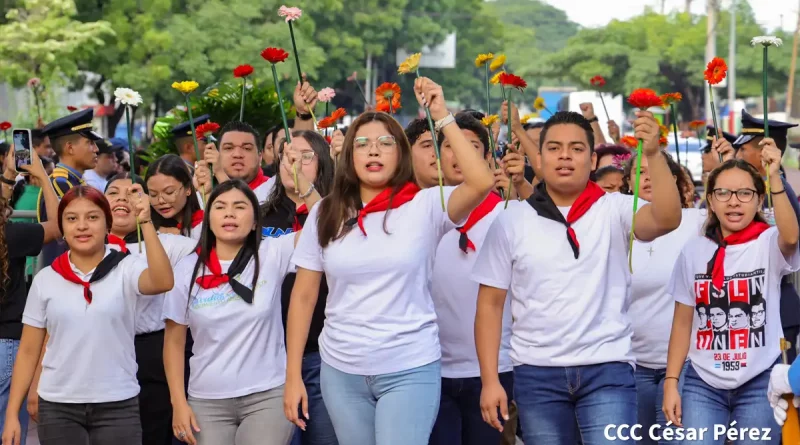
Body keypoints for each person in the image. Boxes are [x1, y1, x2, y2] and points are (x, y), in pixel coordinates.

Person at [284, 78, 494, 445]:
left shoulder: (427, 205)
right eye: (362, 144)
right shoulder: (325, 214)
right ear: (349, 155)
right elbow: (303, 298)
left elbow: (479, 182)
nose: (373, 152)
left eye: (385, 143)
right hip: (341, 369)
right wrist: (292, 376)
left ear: (402, 154)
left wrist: (443, 116)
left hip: (409, 365)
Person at [473, 110, 682, 444]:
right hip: (536, 372)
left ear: (592, 158)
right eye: (554, 148)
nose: (565, 156)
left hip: (608, 369)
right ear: (538, 157)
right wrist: (490, 380)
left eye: (576, 148)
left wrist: (654, 154)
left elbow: (667, 219)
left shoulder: (615, 208)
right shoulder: (511, 221)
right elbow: (489, 305)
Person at [1, 184, 174, 445]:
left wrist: (146, 223)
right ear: (62, 228)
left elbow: (162, 281)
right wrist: (12, 413)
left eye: (92, 217)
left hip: (118, 402)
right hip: (58, 405)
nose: (82, 226)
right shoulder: (46, 279)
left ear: (107, 225)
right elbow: (28, 350)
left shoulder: (126, 267)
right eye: (71, 219)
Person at [663, 151, 799, 445]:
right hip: (702, 382)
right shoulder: (693, 251)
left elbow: (790, 238)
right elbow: (682, 323)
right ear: (710, 200)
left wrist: (774, 175)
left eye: (745, 193)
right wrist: (672, 382)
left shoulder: (768, 243)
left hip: (761, 379)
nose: (733, 201)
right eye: (723, 192)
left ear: (759, 200)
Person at [163, 181, 298, 445]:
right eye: (220, 207)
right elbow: (174, 342)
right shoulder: (186, 269)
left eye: (239, 207)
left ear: (256, 221)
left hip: (267, 394)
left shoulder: (272, 253)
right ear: (208, 218)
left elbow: (324, 225)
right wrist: (178, 403)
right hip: (206, 400)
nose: (229, 214)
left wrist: (302, 188)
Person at [427, 113, 512, 445]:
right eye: (450, 146)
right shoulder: (421, 211)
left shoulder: (506, 215)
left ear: (488, 158)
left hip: (495, 370)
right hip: (430, 369)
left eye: (471, 147)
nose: (459, 155)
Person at [103, 173, 197, 445]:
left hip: (154, 352)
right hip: (106, 349)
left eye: (132, 192)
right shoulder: (86, 247)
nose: (122, 198)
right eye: (113, 192)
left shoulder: (171, 244)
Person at [619, 150, 704, 445]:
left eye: (656, 170)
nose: (648, 178)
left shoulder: (697, 222)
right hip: (629, 364)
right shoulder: (615, 223)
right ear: (627, 182)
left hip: (685, 365)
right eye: (639, 172)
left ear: (674, 179)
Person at [260, 131, 333, 445]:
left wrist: (309, 192)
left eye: (306, 156)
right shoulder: (257, 214)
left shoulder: (339, 211)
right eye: (288, 155)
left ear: (323, 165)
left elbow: (331, 229)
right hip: (269, 358)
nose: (294, 163)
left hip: (322, 355)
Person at [0, 148, 60, 445]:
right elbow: (62, 227)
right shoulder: (11, 236)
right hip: (8, 347)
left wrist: (10, 176)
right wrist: (43, 178)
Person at [37, 108, 102, 267]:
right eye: (90, 143)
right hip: (65, 271)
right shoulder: (60, 183)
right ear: (70, 148)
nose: (96, 149)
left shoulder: (73, 181)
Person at [197, 122, 275, 204]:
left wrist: (220, 173)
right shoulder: (201, 194)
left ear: (260, 158)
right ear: (217, 155)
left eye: (247, 148)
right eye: (229, 148)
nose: (237, 154)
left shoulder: (275, 190)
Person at [146, 155, 204, 240]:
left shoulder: (205, 221)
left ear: (188, 188)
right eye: (153, 194)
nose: (161, 201)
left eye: (169, 192)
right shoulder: (147, 229)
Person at [406, 118, 438, 189]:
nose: (437, 152)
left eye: (441, 145)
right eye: (427, 146)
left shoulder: (466, 197)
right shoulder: (398, 198)